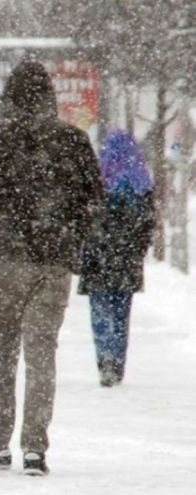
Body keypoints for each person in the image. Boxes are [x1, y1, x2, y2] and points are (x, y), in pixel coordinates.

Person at [0, 60, 105, 476]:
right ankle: (35, 448)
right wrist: (65, 227)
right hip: (53, 261)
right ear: (50, 96)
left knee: (2, 353)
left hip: (4, 259)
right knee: (42, 355)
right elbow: (94, 201)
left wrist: (3, 213)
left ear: (10, 96)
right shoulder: (73, 140)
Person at [79, 130, 155, 387]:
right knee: (122, 313)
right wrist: (137, 250)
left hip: (98, 257)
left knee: (100, 311)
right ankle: (117, 362)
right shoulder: (141, 183)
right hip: (127, 258)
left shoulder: (99, 177)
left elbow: (85, 217)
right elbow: (147, 223)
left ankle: (105, 359)